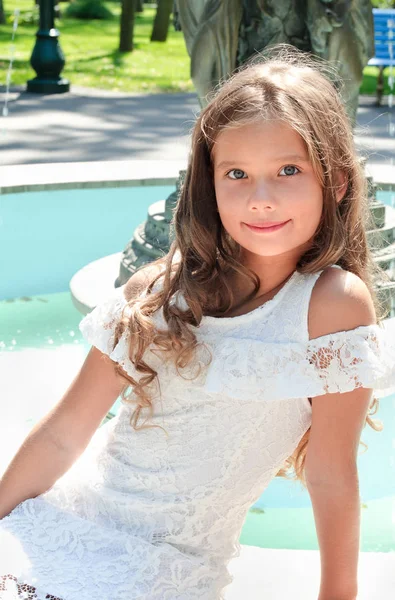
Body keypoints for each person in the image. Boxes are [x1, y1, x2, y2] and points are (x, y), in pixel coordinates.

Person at [1, 43, 395, 600]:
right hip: (70, 526)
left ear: (334, 183)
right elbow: (65, 433)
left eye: (288, 170)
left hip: (167, 569)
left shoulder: (332, 305)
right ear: (209, 184)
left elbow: (331, 474)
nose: (261, 199)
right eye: (237, 173)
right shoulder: (161, 289)